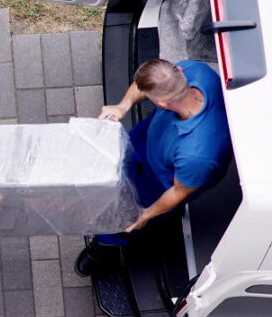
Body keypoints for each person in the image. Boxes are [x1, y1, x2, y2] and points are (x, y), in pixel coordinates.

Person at [76, 58, 232, 276]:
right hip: (148, 141)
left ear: (162, 104)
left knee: (124, 216)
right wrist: (123, 106)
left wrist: (145, 215)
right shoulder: (193, 71)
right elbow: (143, 84)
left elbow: (178, 192)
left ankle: (106, 245)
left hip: (158, 182)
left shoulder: (198, 155)